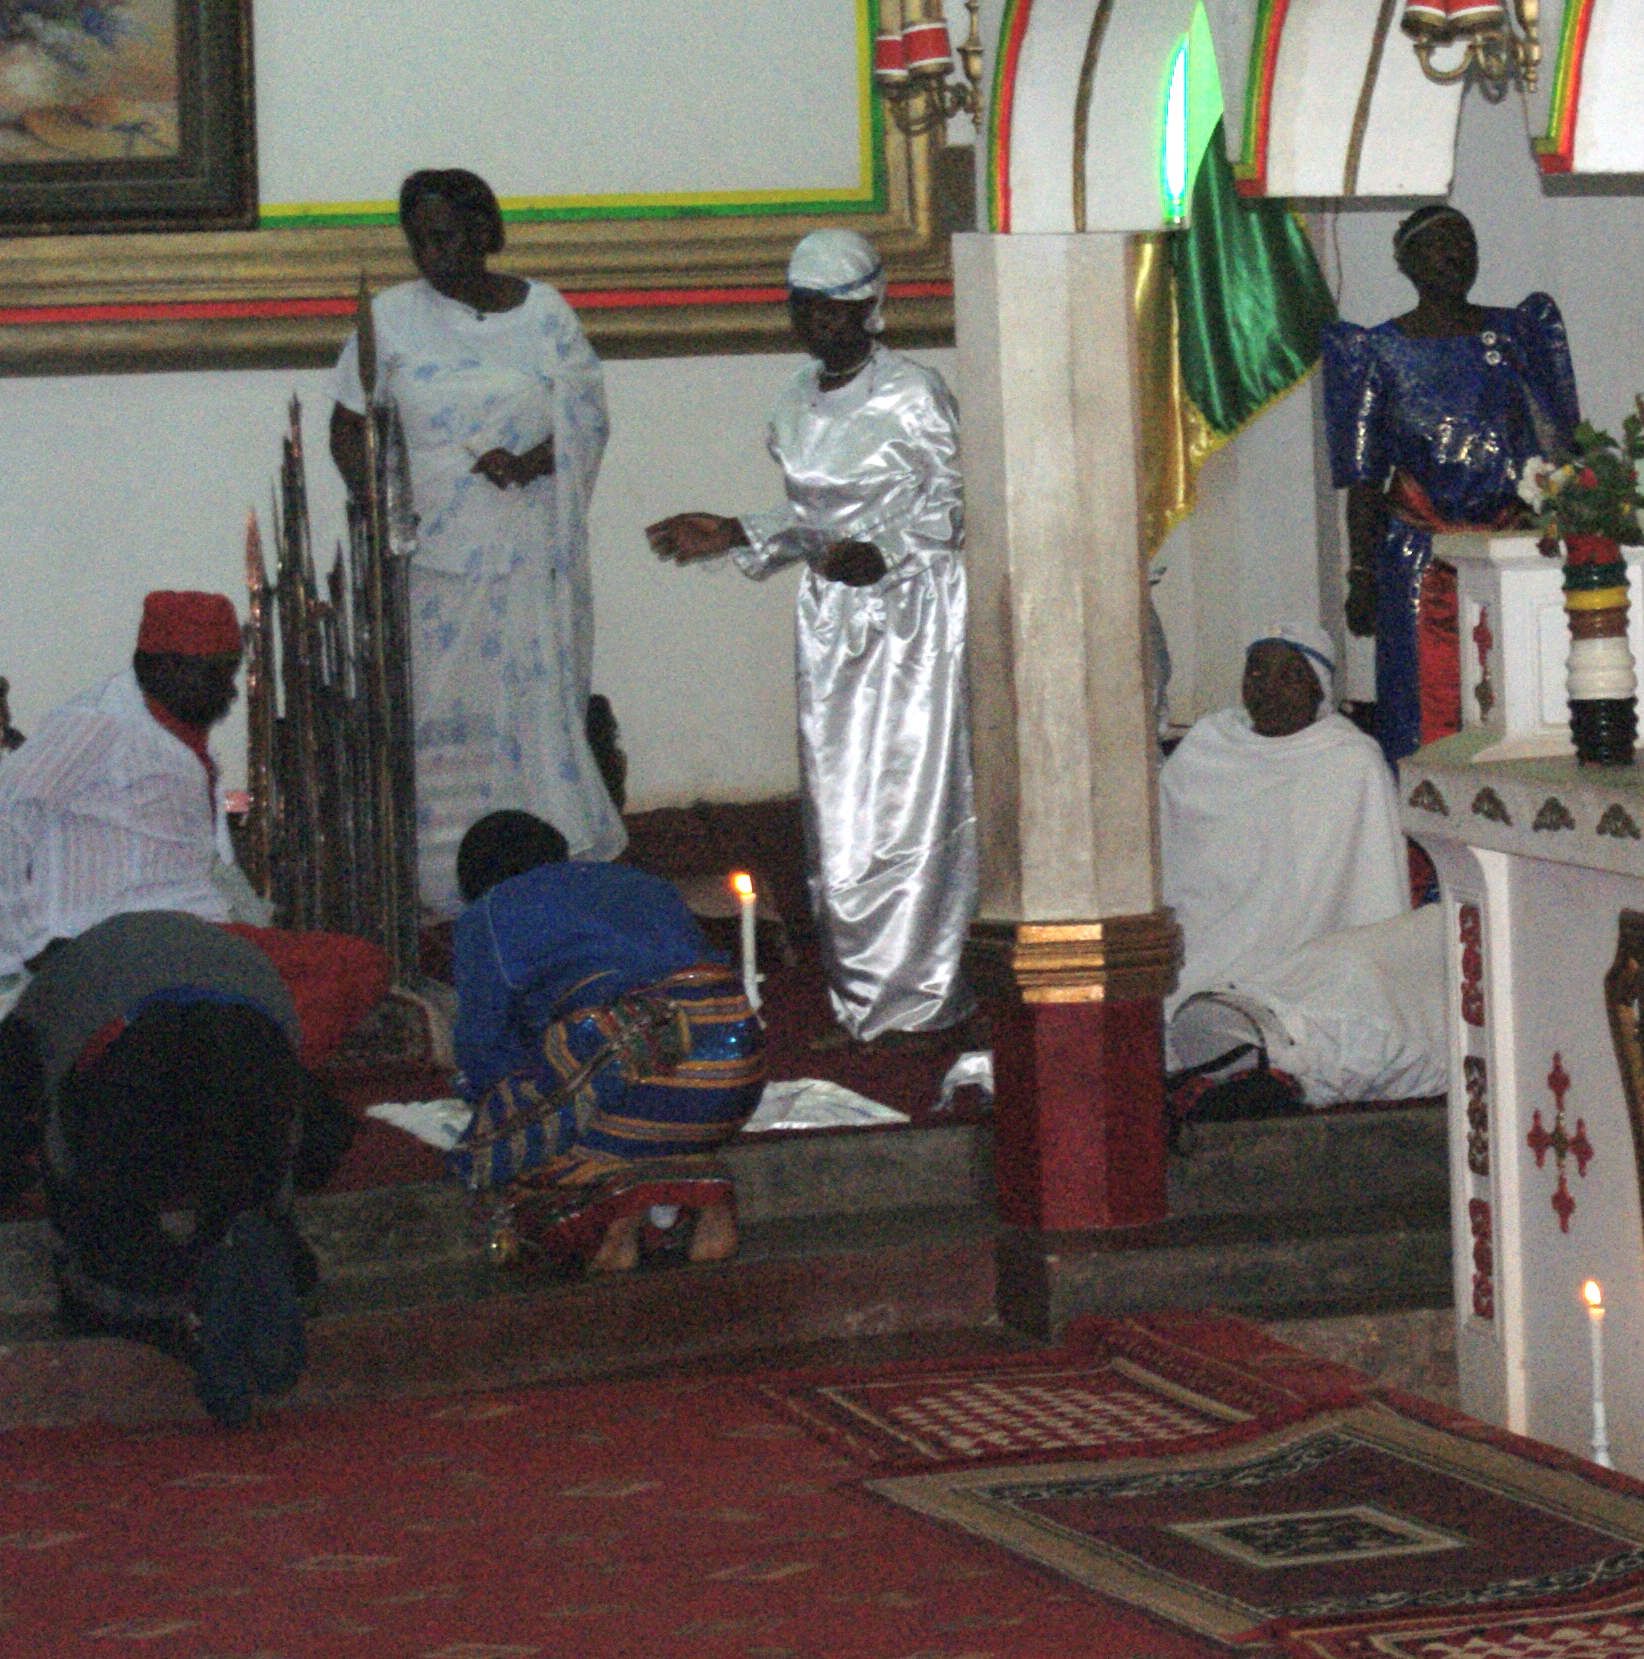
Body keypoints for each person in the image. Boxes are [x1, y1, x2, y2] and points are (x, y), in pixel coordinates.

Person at [646, 231, 974, 1041]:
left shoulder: (914, 393)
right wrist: (733, 531)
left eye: (834, 308)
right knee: (840, 807)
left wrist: (887, 552)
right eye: (804, 308)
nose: (817, 323)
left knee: (910, 806)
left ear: (870, 308)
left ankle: (921, 998)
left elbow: (958, 503)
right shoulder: (794, 400)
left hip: (915, 621)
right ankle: (859, 994)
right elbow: (811, 520)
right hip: (832, 619)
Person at [329, 168, 623, 908]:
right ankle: (439, 872)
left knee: (528, 708)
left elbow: (586, 420)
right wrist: (382, 507)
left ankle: (539, 869)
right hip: (430, 557)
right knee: (438, 709)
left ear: (484, 233)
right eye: (419, 241)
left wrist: (529, 463)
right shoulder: (391, 318)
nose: (432, 255)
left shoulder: (544, 313)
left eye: (447, 237)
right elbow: (347, 426)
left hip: (526, 551)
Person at [0, 909, 354, 1427]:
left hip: (140, 1066)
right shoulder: (216, 948)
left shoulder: (50, 993)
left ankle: (178, 1310)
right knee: (249, 1193)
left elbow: (14, 1093)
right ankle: (261, 1256)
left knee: (101, 1228)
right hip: (258, 1055)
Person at [0, 591, 390, 1053]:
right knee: (336, 972)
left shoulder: (180, 733)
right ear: (165, 668)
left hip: (196, 936)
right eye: (217, 675)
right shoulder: (97, 723)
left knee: (359, 965)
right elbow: (7, 813)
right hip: (121, 941)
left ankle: (229, 1062)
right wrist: (30, 943)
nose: (231, 691)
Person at [448, 810, 762, 1272]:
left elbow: (483, 1042)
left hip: (630, 1069)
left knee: (497, 1138)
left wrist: (495, 1096)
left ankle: (616, 1215)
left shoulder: (489, 914)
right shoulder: (646, 884)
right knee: (627, 1075)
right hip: (737, 1069)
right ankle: (704, 1199)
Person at [1319, 206, 1578, 761]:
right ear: (1407, 262)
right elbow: (1365, 480)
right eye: (1441, 243)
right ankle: (1421, 811)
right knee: (1419, 700)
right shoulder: (1378, 351)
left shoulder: (1516, 334)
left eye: (1466, 242)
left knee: (1516, 692)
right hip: (1418, 558)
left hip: (1508, 546)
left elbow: (1553, 448)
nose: (1456, 254)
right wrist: (1361, 574)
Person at [1156, 632, 1432, 1102]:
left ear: (1318, 689)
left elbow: (1373, 887)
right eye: (1257, 672)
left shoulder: (1350, 761)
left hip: (1301, 958)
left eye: (1289, 675)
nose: (1268, 687)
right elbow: (1169, 861)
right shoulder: (1207, 746)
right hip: (1201, 945)